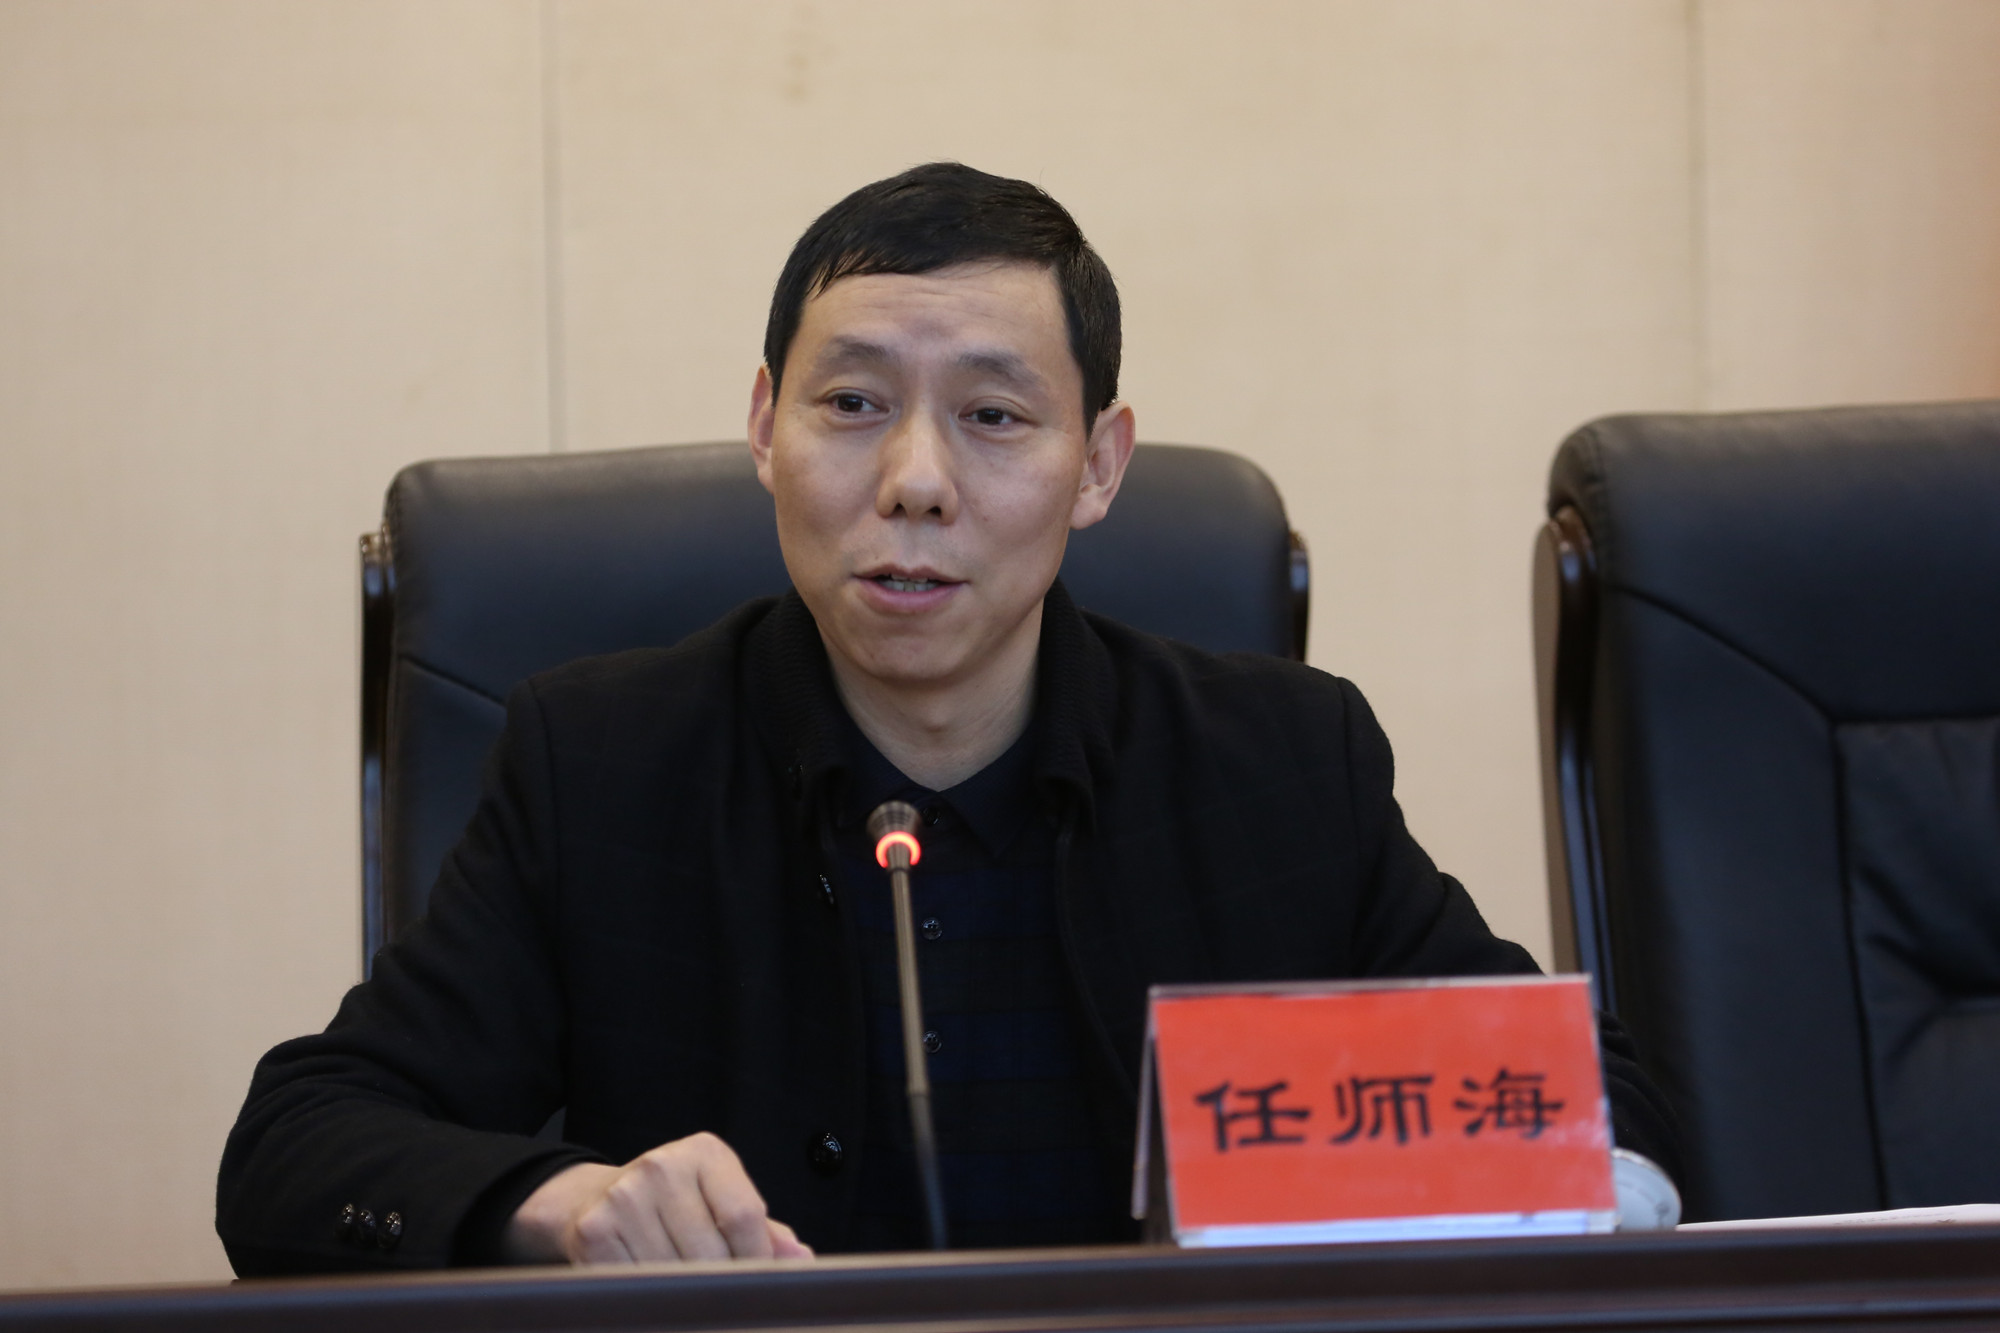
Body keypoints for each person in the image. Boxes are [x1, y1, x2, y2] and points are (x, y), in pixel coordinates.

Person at [216, 162, 1680, 1275]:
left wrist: (1386, 1186)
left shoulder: (1283, 766)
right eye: (852, 404)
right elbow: (298, 1143)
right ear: (764, 426)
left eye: (993, 416)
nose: (915, 481)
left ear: (1098, 464)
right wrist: (566, 1201)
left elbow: (1598, 1117)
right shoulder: (600, 768)